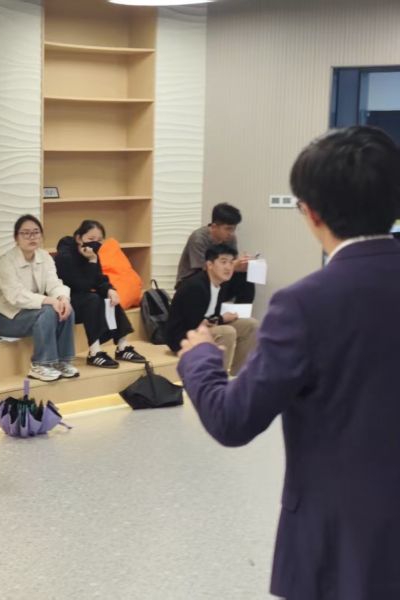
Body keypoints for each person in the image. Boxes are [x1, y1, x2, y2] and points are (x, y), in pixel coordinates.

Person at [177, 126, 400, 599]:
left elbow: (233, 419)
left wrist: (200, 358)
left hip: (338, 540)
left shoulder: (305, 304)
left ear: (310, 213)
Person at [0, 214, 78, 382]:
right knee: (48, 311)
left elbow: (54, 283)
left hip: (33, 314)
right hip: (8, 318)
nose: (31, 237)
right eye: (25, 233)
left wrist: (63, 299)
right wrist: (49, 300)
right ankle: (40, 365)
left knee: (66, 308)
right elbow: (16, 296)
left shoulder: (44, 257)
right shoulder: (6, 262)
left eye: (36, 232)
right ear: (16, 238)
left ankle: (62, 361)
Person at [54, 220, 146, 368]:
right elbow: (82, 285)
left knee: (110, 298)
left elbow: (99, 279)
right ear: (79, 238)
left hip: (84, 299)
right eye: (91, 239)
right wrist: (92, 261)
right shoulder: (65, 256)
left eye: (99, 240)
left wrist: (110, 289)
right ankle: (94, 352)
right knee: (93, 299)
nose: (95, 243)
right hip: (65, 302)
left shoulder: (92, 254)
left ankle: (122, 346)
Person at [166, 244, 258, 375]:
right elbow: (196, 324)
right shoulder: (195, 286)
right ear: (210, 265)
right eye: (223, 262)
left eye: (231, 262)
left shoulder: (221, 283)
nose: (228, 267)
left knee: (251, 325)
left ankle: (238, 376)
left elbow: (245, 293)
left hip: (207, 327)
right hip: (184, 337)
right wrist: (222, 318)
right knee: (227, 331)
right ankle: (217, 380)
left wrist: (246, 270)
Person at [176, 202, 255, 303]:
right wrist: (233, 266)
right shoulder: (198, 238)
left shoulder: (231, 238)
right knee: (215, 278)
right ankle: (216, 311)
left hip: (216, 278)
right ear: (214, 226)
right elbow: (203, 269)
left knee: (245, 278)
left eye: (234, 229)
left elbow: (232, 263)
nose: (231, 233)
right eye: (228, 229)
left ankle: (240, 311)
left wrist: (243, 265)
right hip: (192, 279)